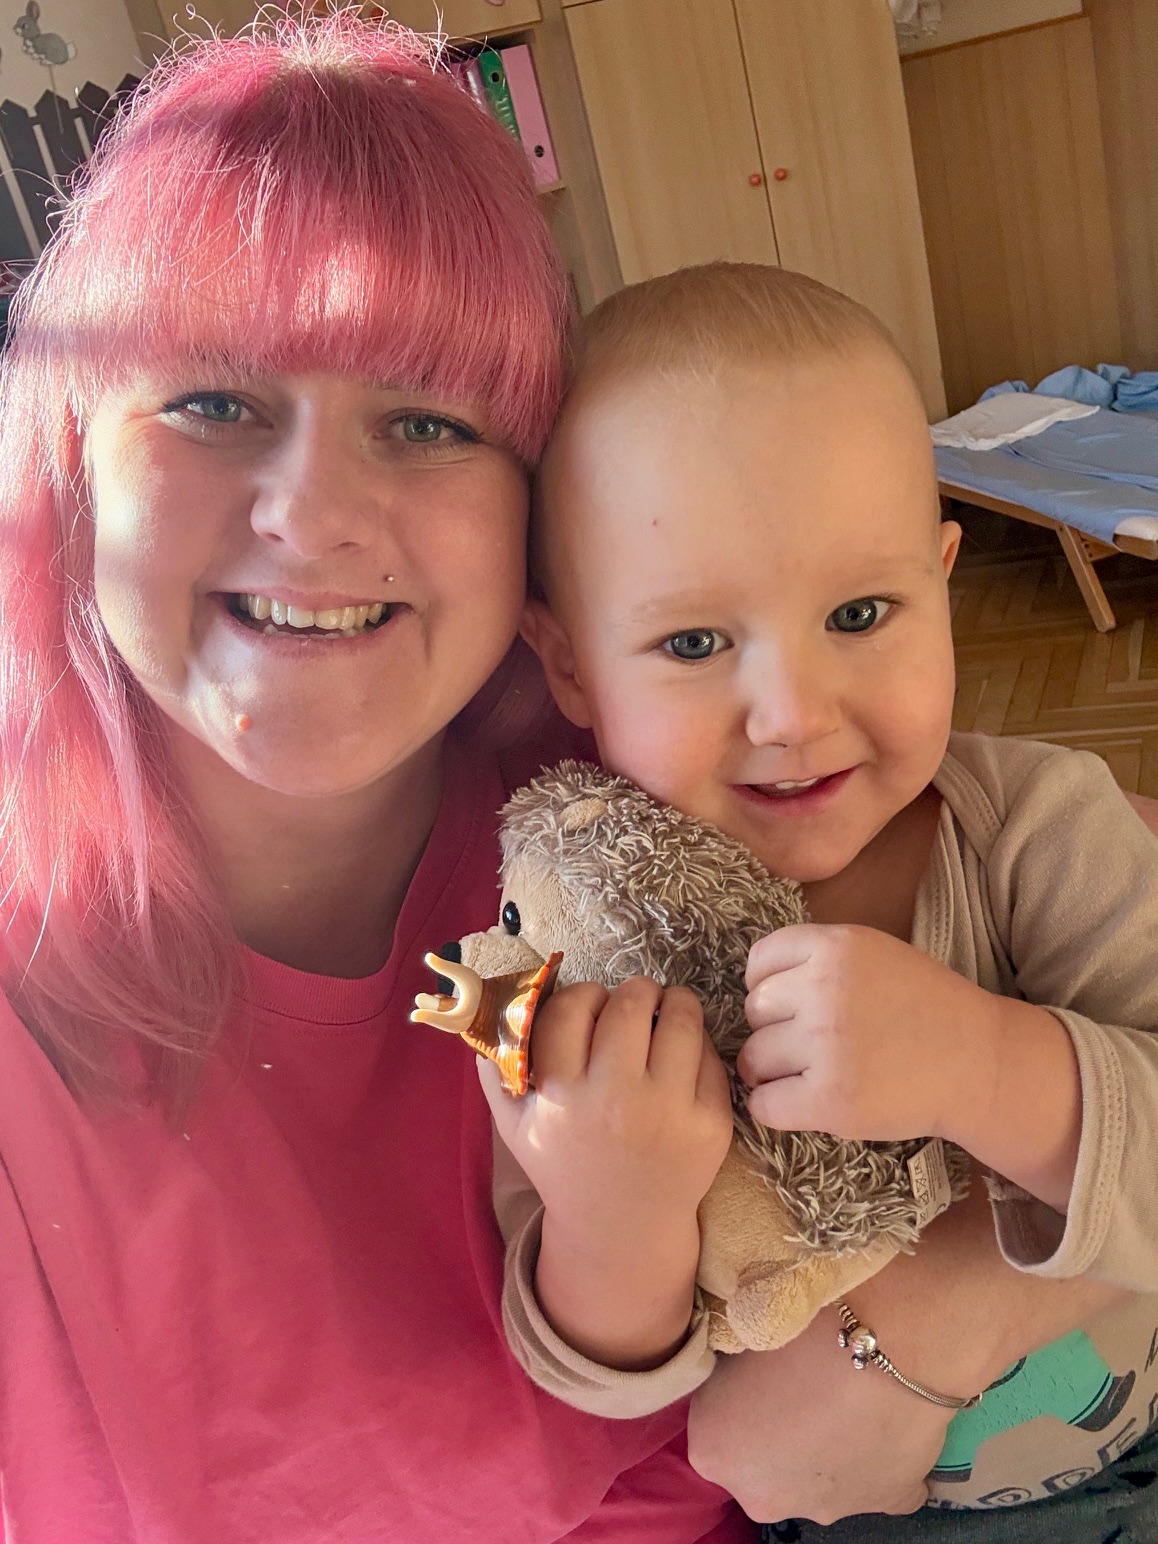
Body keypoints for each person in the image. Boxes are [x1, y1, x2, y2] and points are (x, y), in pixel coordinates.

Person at [0, 19, 756, 1543]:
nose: (315, 516)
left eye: (426, 422)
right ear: (73, 458)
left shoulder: (642, 834)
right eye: (214, 403)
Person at [481, 261, 1158, 1538]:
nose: (792, 713)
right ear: (567, 662)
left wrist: (985, 1064)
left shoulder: (1039, 829)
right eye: (694, 642)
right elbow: (602, 1382)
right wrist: (617, 1218)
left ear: (942, 582)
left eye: (859, 611)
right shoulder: (570, 943)